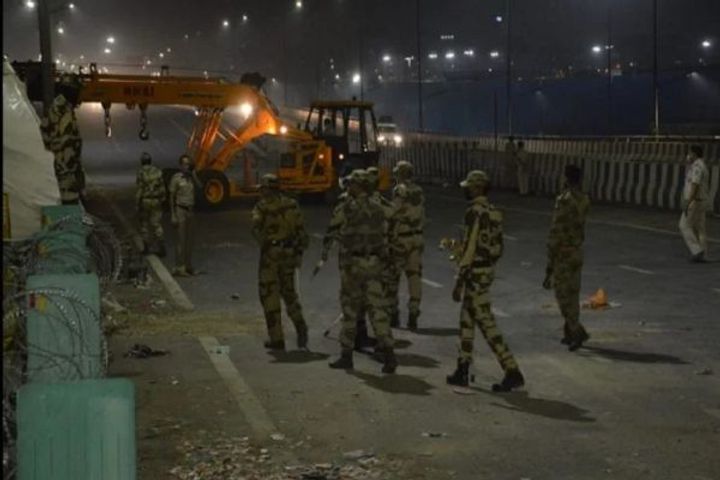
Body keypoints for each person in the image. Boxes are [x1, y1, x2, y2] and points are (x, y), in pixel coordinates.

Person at [446, 170, 524, 392]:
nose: (466, 190)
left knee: (486, 323)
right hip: (487, 270)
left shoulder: (475, 212)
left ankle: (512, 369)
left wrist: (459, 280)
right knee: (467, 321)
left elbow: (470, 248)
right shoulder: (493, 212)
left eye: (469, 186)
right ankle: (462, 368)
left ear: (478, 188)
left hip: (475, 273)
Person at [327, 169, 397, 374]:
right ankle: (389, 355)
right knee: (378, 310)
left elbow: (333, 226)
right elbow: (392, 220)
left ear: (358, 186)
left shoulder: (347, 206)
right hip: (374, 263)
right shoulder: (380, 205)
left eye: (352, 184)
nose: (349, 187)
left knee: (350, 310)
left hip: (353, 265)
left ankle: (346, 356)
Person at [252, 173, 309, 350]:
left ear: (266, 189)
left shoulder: (262, 207)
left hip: (271, 255)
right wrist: (298, 252)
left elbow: (255, 229)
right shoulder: (292, 204)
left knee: (269, 294)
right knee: (289, 292)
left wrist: (266, 245)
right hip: (290, 253)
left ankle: (277, 338)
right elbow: (302, 232)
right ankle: (300, 326)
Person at [543, 164, 591, 351]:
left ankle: (576, 331)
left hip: (562, 253)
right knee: (573, 293)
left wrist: (549, 262)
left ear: (566, 178)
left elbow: (556, 231)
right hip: (576, 251)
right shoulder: (585, 199)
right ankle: (570, 331)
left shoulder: (564, 200)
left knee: (562, 295)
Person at [388, 161, 425, 330]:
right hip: (416, 237)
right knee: (414, 276)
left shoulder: (399, 190)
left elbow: (392, 212)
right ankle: (414, 313)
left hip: (401, 239)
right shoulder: (418, 190)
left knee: (393, 277)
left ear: (401, 174)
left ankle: (393, 314)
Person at [40, 75, 86, 205]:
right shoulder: (63, 111)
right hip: (66, 172)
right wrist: (72, 171)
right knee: (69, 207)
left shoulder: (57, 108)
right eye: (77, 91)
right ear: (70, 91)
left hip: (60, 167)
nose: (78, 95)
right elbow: (67, 142)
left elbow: (46, 136)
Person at [168, 154, 200, 276]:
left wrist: (194, 175)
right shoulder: (176, 178)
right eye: (184, 164)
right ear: (180, 165)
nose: (186, 166)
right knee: (180, 240)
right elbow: (171, 196)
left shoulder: (191, 178)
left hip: (190, 211)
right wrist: (173, 214)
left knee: (190, 240)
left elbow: (200, 188)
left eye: (188, 164)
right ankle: (179, 267)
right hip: (180, 209)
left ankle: (188, 265)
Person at [679, 145, 710, 263]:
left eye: (690, 153)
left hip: (695, 201)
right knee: (701, 229)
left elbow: (695, 185)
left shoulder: (697, 167)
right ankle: (704, 254)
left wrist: (688, 201)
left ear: (695, 154)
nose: (688, 155)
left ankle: (697, 251)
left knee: (683, 225)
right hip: (701, 201)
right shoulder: (700, 165)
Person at [135, 152, 167, 256]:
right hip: (156, 201)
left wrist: (136, 204)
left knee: (144, 225)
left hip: (145, 201)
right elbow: (162, 187)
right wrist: (163, 198)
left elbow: (140, 189)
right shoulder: (157, 171)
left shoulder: (141, 172)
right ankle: (161, 246)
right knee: (156, 224)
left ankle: (146, 248)